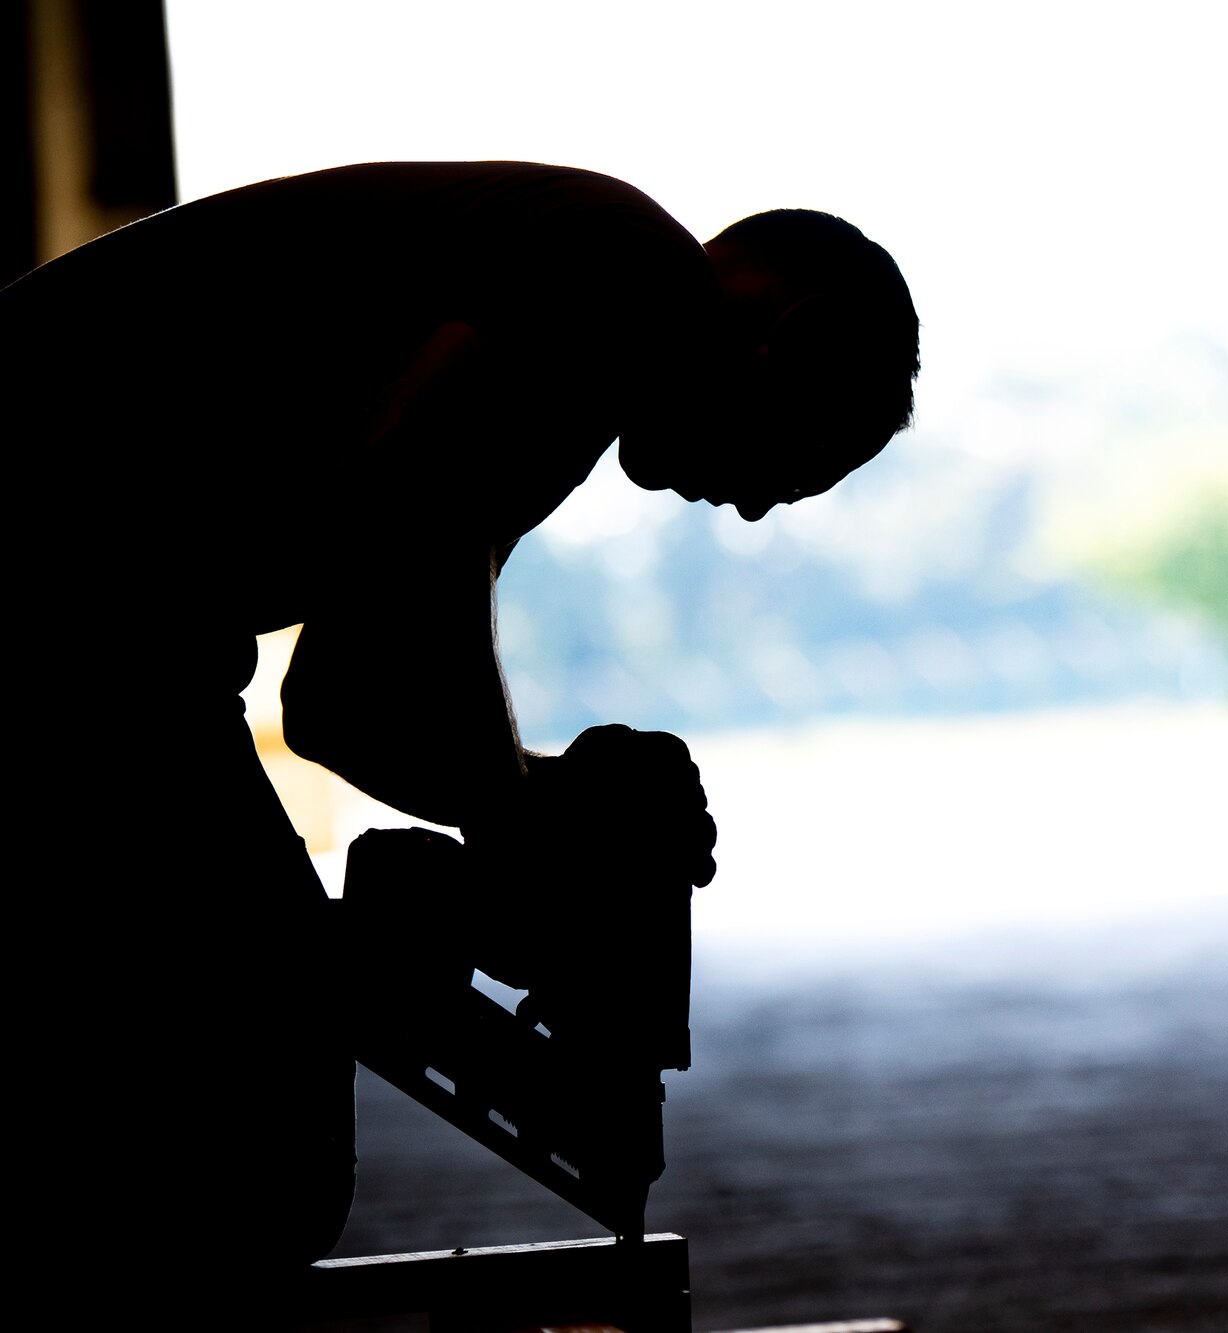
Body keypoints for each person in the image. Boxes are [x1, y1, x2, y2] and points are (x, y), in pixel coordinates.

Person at [2, 161, 918, 1295]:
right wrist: (540, 836)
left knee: (228, 1109)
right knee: (259, 1140)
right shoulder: (619, 273)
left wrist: (541, 806)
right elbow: (402, 579)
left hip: (94, 630)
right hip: (42, 608)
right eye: (797, 460)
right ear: (797, 341)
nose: (752, 506)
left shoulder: (564, 323)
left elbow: (351, 698)